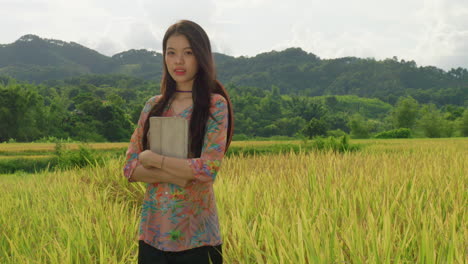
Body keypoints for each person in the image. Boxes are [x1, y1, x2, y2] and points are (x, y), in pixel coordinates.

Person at [123, 20, 234, 264]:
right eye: (171, 53)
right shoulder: (153, 106)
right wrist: (180, 175)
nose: (178, 61)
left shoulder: (214, 105)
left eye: (188, 53)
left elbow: (208, 169)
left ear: (201, 56)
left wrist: (154, 160)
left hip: (198, 237)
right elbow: (130, 168)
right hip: (153, 235)